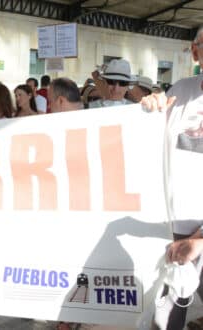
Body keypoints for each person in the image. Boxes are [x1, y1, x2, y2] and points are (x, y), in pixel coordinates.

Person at [142, 25, 203, 330]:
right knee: (165, 321)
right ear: (196, 52)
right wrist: (145, 112)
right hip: (170, 231)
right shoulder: (179, 91)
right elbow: (149, 146)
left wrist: (201, 240)